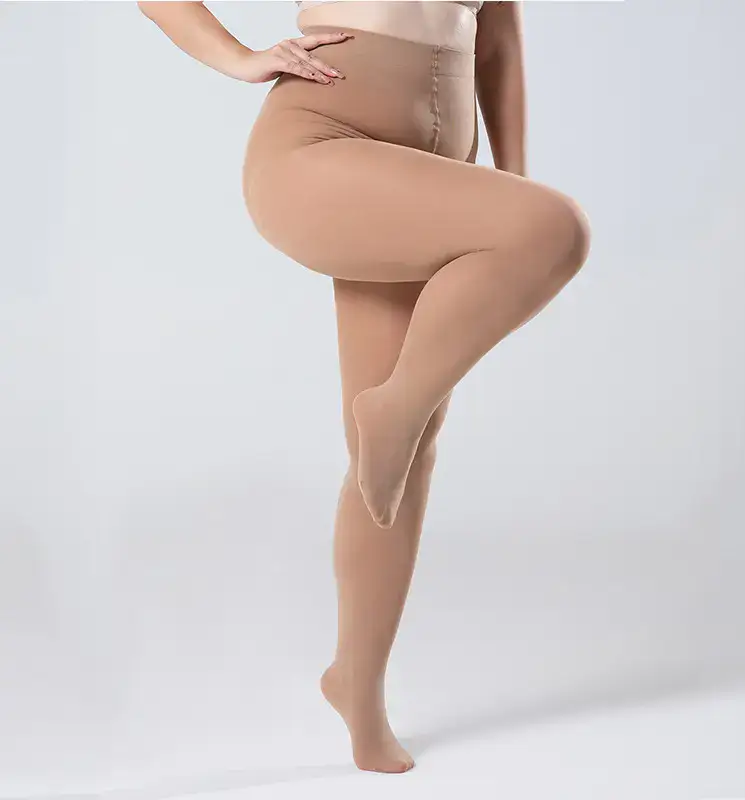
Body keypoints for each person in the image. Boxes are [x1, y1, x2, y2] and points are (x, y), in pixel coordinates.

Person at [137, 0, 591, 775]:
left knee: (401, 453)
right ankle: (395, 408)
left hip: (432, 164)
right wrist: (239, 57)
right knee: (554, 230)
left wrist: (508, 185)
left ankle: (357, 685)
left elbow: (499, 43)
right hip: (321, 143)